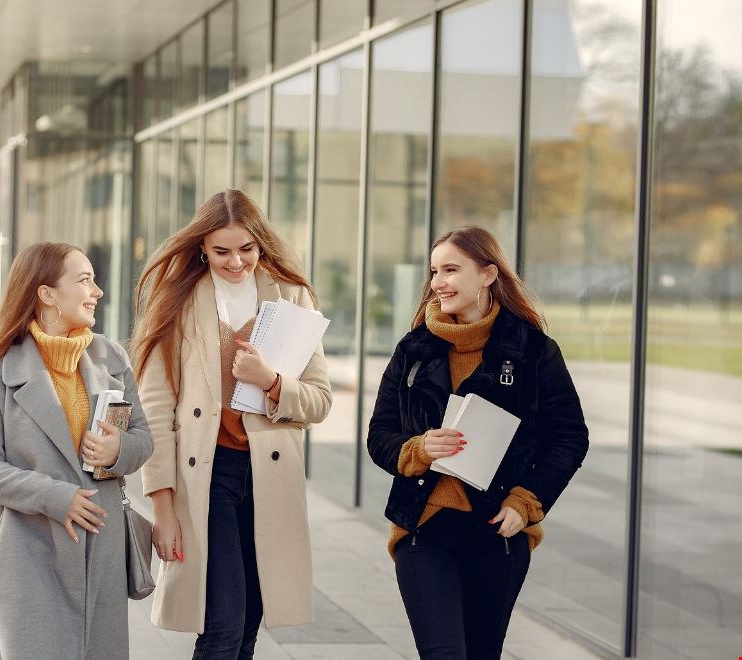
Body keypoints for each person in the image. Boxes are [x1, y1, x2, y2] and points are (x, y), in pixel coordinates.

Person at [367, 226, 589, 660]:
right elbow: (380, 436)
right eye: (434, 271)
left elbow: (569, 437)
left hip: (498, 534)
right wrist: (418, 449)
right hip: (423, 532)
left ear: (488, 274)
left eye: (451, 270)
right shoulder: (413, 351)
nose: (438, 282)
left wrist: (526, 502)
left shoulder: (533, 352)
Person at [132, 189, 332, 659]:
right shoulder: (177, 300)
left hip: (269, 477)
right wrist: (162, 508)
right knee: (222, 623)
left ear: (261, 243)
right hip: (206, 476)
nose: (236, 262)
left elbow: (319, 402)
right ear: (201, 246)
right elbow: (156, 409)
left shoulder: (292, 297)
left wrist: (272, 382)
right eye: (221, 251)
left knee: (248, 626)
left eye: (247, 249)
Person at [0, 241, 154, 660]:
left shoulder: (111, 357)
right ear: (47, 294)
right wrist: (56, 497)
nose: (97, 290)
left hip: (100, 548)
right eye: (84, 280)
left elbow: (143, 438)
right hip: (28, 551)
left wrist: (117, 449)